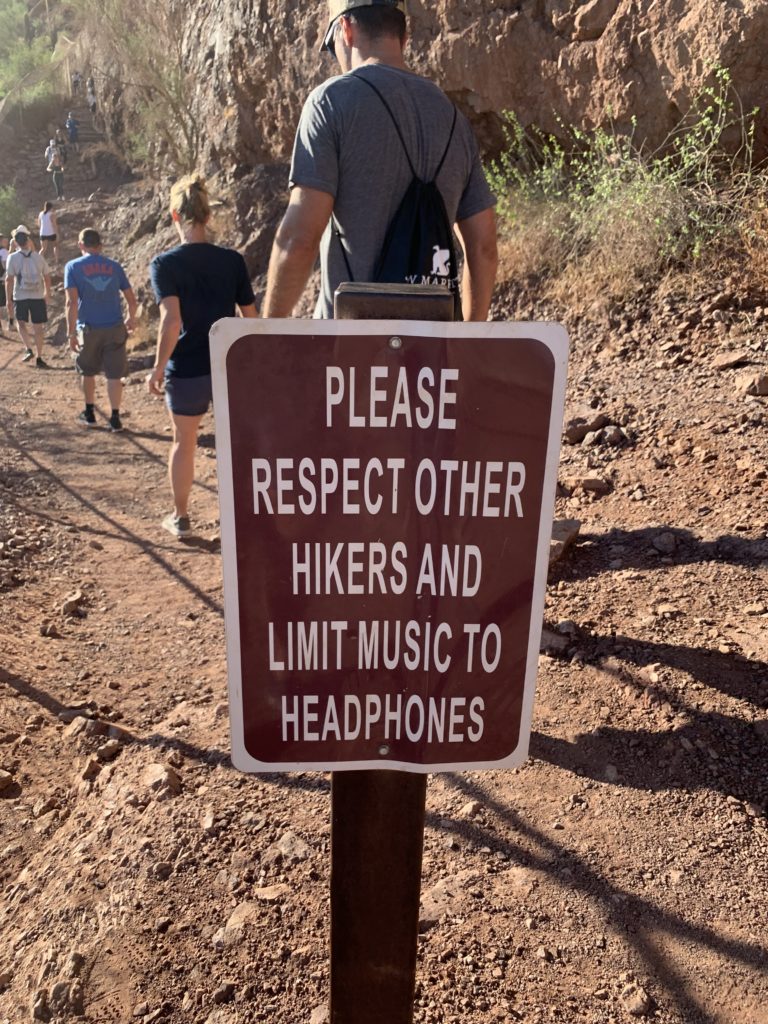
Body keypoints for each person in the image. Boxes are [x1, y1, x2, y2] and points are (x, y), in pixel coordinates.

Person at [263, 0, 497, 321]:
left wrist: (263, 337)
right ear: (404, 36)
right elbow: (483, 248)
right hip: (431, 354)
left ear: (346, 30)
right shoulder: (454, 119)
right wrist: (468, 340)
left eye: (332, 50)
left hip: (349, 353)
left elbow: (300, 238)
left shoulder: (330, 103)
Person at [147, 175, 257, 539]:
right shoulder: (231, 260)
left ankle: (180, 518)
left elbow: (172, 319)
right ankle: (243, 519)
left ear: (175, 217)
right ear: (208, 216)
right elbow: (250, 319)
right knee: (236, 444)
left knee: (184, 442)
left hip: (189, 369)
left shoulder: (164, 264)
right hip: (229, 367)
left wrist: (158, 367)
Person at [65, 228, 137, 431]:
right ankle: (115, 418)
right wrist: (131, 318)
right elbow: (131, 299)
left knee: (87, 371)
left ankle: (89, 413)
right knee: (114, 374)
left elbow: (71, 303)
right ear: (100, 245)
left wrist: (71, 333)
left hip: (88, 329)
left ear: (81, 245)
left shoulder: (72, 267)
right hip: (115, 328)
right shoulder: (114, 266)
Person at [5, 226, 52, 368]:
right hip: (37, 296)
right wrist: (47, 293)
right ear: (28, 241)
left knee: (21, 323)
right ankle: (39, 356)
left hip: (20, 296)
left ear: (16, 243)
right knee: (38, 327)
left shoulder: (12, 258)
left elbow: (9, 279)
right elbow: (47, 276)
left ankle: (28, 348)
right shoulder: (38, 257)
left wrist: (8, 300)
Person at [0, 235, 11, 334]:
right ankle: (10, 323)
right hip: (3, 280)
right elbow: (6, 266)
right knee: (9, 301)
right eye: (4, 241)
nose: (6, 242)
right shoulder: (3, 252)